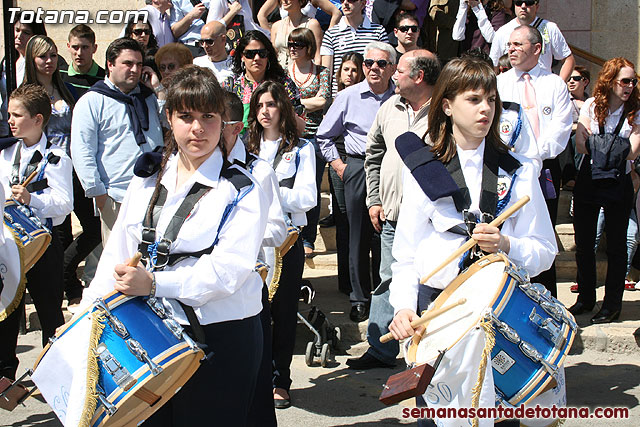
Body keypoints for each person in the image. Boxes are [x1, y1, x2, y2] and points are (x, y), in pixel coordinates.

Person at [79, 65, 268, 425]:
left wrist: (154, 283)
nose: (197, 128)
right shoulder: (148, 177)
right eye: (185, 116)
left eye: (208, 117)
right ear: (168, 118)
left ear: (223, 120)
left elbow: (228, 270)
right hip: (150, 329)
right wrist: (89, 313)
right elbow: (118, 251)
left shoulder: (243, 187)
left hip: (220, 336)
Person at [387, 57, 556, 423]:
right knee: (442, 418)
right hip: (440, 310)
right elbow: (404, 256)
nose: (486, 109)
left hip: (501, 312)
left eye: (492, 100)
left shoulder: (519, 170)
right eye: (474, 99)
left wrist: (507, 246)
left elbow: (546, 250)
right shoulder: (422, 169)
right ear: (446, 105)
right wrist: (402, 309)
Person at [347, 49, 440, 370]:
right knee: (387, 278)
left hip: (433, 222)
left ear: (419, 76)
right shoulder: (389, 108)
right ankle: (381, 349)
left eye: (398, 70)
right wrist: (374, 199)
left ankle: (431, 351)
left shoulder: (444, 112)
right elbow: (373, 155)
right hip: (392, 215)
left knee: (431, 284)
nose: (393, 75)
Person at [246, 81, 316, 409]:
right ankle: (255, 378)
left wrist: (268, 189)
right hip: (251, 243)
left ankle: (280, 381)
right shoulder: (245, 150)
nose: (265, 111)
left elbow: (307, 198)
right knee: (251, 313)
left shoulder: (301, 149)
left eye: (271, 104)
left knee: (284, 313)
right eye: (259, 105)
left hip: (288, 242)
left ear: (282, 109)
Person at [318, 42, 397, 322]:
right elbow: (324, 136)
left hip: (392, 169)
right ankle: (359, 297)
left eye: (381, 64)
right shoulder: (349, 96)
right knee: (357, 235)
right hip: (357, 166)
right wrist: (340, 166)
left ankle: (383, 294)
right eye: (368, 63)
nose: (373, 68)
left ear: (393, 68)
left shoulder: (399, 98)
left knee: (386, 232)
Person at [0, 84, 73, 381]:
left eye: (18, 115)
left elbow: (65, 203)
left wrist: (33, 199)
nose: (10, 121)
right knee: (6, 314)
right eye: (9, 114)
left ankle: (53, 375)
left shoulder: (56, 158)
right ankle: (5, 377)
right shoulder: (5, 154)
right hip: (9, 246)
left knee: (49, 312)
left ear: (39, 119)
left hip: (44, 246)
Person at [221, 90, 285, 427]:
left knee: (254, 384)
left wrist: (239, 231)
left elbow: (278, 230)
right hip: (207, 293)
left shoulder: (258, 171)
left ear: (234, 128)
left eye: (213, 122)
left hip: (247, 287)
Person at [497, 25, 572, 297]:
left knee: (541, 234)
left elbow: (560, 128)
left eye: (518, 44)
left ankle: (546, 299)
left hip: (544, 169)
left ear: (537, 48)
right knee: (512, 233)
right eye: (510, 44)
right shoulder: (500, 84)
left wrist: (533, 159)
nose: (511, 49)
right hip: (507, 169)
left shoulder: (554, 84)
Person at [71, 38, 164, 246]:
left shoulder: (149, 97)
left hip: (154, 192)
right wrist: (99, 195)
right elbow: (82, 150)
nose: (135, 69)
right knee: (118, 261)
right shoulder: (92, 101)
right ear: (110, 64)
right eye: (128, 63)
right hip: (116, 196)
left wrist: (158, 90)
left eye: (139, 65)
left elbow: (170, 124)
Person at [569, 57, 640, 324]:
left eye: (634, 81)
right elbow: (580, 145)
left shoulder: (636, 111)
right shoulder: (591, 105)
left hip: (618, 183)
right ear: (610, 82)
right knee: (584, 243)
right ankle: (586, 297)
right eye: (625, 80)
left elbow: (632, 151)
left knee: (617, 247)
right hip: (589, 180)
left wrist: (598, 144)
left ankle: (612, 305)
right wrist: (614, 147)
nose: (630, 86)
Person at [323, 51, 365, 295]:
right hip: (339, 164)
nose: (350, 74)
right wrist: (337, 165)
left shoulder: (362, 98)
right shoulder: (337, 99)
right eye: (346, 69)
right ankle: (345, 282)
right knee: (344, 223)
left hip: (358, 165)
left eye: (354, 70)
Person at [286, 28, 331, 257]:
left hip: (313, 137)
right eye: (290, 44)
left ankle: (308, 237)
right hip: (288, 136)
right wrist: (305, 103)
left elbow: (323, 100)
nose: (293, 48)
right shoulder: (285, 72)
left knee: (310, 187)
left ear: (309, 48)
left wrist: (294, 104)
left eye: (298, 45)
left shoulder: (322, 72)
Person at [223, 30, 303, 130]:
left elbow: (298, 123)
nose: (256, 58)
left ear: (268, 56)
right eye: (250, 54)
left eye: (262, 53)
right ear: (242, 56)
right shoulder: (230, 86)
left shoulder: (284, 84)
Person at [489, 0, 575, 81]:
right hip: (513, 87)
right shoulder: (502, 32)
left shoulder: (550, 28)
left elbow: (568, 59)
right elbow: (493, 65)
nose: (523, 6)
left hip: (542, 86)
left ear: (537, 6)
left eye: (528, 2)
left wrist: (559, 85)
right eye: (518, 2)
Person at [320, 0, 388, 97]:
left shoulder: (378, 31)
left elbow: (384, 67)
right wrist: (326, 98)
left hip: (371, 96)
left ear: (363, 3)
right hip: (340, 96)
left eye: (351, 0)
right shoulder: (331, 34)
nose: (345, 3)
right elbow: (326, 71)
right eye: (342, 0)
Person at [270, 0, 324, 67]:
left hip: (303, 73)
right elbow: (273, 55)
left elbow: (317, 56)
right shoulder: (276, 26)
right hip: (279, 72)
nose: (284, 0)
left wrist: (316, 75)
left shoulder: (312, 24)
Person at [60, 25, 106, 97]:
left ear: (94, 48)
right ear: (68, 47)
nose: (79, 53)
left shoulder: (105, 79)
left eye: (85, 47)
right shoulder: (59, 75)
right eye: (75, 47)